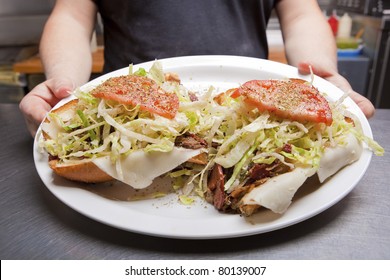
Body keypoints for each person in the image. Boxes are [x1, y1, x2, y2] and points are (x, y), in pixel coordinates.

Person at [19, 0, 375, 137]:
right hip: (131, 117)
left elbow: (300, 14)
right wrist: (63, 82)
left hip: (249, 113)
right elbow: (70, 16)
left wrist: (321, 75)